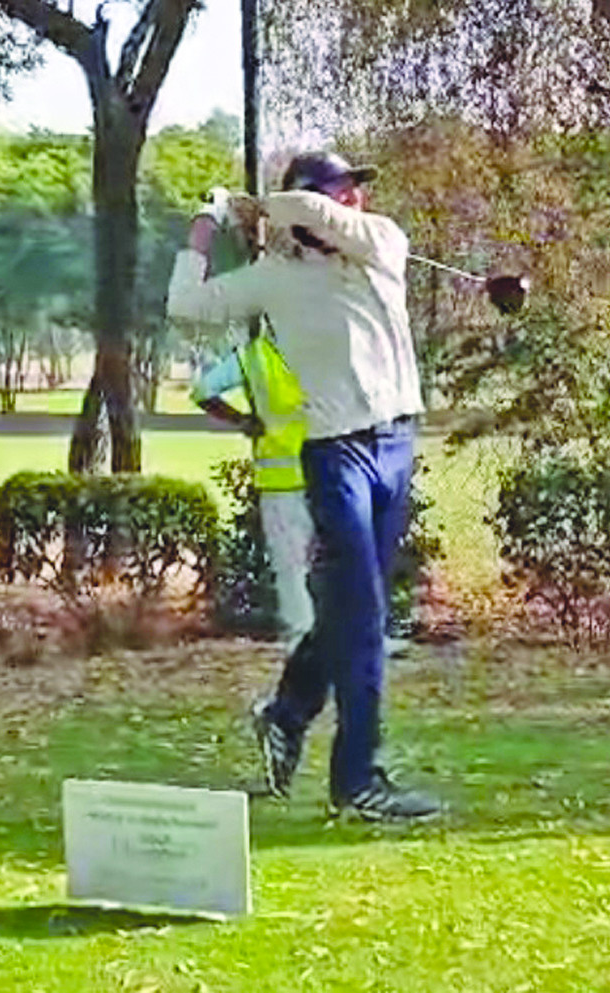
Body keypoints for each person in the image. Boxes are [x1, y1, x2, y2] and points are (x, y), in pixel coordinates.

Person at [168, 151, 440, 821]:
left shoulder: (381, 244)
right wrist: (206, 223)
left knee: (351, 612)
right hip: (334, 454)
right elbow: (185, 305)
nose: (354, 201)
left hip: (396, 446)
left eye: (354, 192)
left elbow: (305, 209)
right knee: (366, 618)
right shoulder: (273, 278)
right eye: (343, 191)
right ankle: (358, 778)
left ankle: (287, 711)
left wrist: (253, 202)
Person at [191, 334, 315, 651]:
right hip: (328, 469)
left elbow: (203, 390)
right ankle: (353, 637)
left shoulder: (255, 356)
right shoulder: (323, 341)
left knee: (291, 566)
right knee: (340, 558)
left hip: (279, 476)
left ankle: (302, 639)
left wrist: (243, 420)